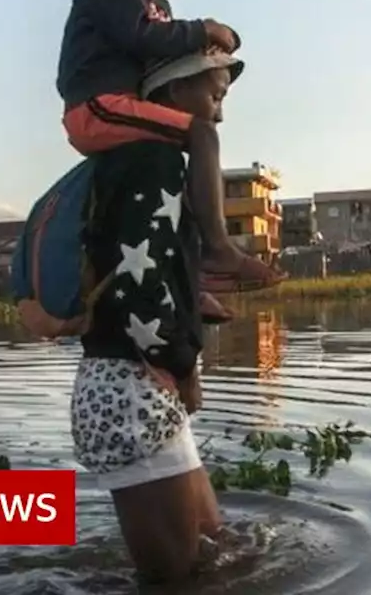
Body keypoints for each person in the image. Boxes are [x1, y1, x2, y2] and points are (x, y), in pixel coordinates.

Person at [70, 50, 249, 587]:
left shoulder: (132, 161)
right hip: (134, 389)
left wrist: (192, 305)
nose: (217, 115)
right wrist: (185, 365)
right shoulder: (154, 159)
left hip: (135, 387)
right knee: (175, 579)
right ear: (172, 93)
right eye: (214, 96)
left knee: (216, 551)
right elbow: (138, 285)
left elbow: (141, 266)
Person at [55, 0, 282, 307]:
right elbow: (141, 37)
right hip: (96, 105)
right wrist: (204, 29)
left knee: (181, 175)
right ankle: (217, 248)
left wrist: (211, 50)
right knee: (202, 135)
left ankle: (188, 280)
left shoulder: (156, 1)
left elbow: (167, 54)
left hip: (124, 106)